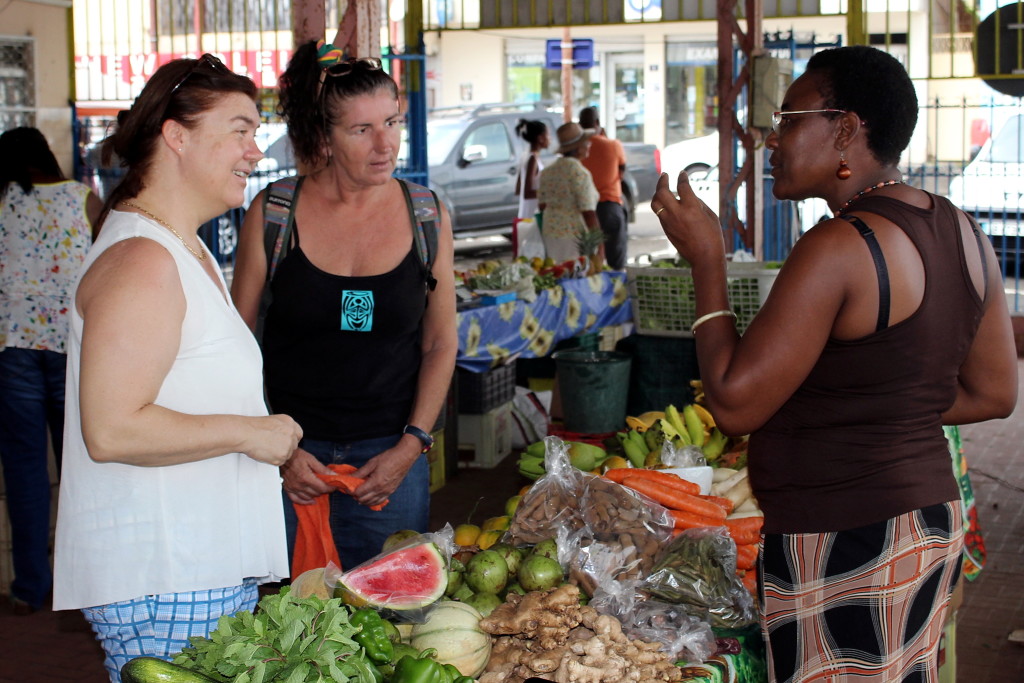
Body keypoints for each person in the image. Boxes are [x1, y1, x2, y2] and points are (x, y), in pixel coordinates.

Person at [651, 45, 1017, 682]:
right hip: (927, 522)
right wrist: (876, 402)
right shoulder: (963, 232)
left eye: (789, 119)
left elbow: (735, 403)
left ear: (845, 129)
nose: (771, 140)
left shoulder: (839, 246)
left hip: (848, 534)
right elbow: (993, 392)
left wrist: (706, 263)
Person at [52, 54, 303, 682]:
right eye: (240, 129)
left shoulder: (174, 243)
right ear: (177, 135)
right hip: (170, 574)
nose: (255, 149)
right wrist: (252, 433)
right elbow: (113, 430)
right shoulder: (144, 258)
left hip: (197, 566)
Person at [230, 40, 457, 572]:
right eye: (361, 130)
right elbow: (236, 344)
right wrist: (278, 448)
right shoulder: (276, 212)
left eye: (393, 122)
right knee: (287, 623)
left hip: (390, 460)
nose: (385, 145)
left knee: (392, 622)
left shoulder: (426, 214)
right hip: (290, 457)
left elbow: (441, 341)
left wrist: (412, 446)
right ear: (325, 137)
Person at [0, 127, 101, 615]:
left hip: (12, 347)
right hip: (72, 349)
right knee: (79, 470)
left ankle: (29, 585)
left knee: (24, 473)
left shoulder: (1, 203)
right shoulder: (82, 199)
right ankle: (81, 584)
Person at [537, 122, 602, 265]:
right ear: (578, 148)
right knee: (573, 278)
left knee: (555, 273)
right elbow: (588, 213)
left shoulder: (547, 172)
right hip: (574, 237)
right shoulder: (579, 173)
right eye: (586, 142)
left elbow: (541, 205)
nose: (589, 145)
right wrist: (600, 249)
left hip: (550, 232)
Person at [578, 107, 628, 269]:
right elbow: (622, 171)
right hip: (609, 206)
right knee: (616, 260)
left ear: (580, 124)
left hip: (583, 210)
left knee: (589, 263)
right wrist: (603, 137)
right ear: (597, 123)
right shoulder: (613, 145)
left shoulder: (577, 150)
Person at [514, 118, 550, 222]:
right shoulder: (533, 159)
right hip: (532, 214)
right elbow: (527, 193)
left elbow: (518, 189)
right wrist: (548, 192)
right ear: (540, 138)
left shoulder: (526, 156)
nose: (550, 139)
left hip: (526, 212)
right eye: (548, 135)